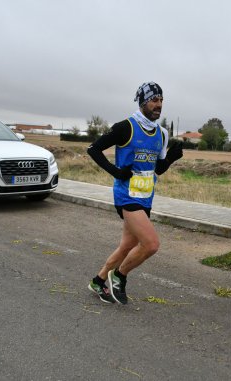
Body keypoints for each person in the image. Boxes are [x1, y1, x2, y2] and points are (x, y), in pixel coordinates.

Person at [86, 82, 183, 304]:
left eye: (161, 101)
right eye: (154, 100)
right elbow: (94, 149)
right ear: (142, 102)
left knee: (127, 245)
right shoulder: (126, 127)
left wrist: (171, 158)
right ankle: (119, 276)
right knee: (151, 244)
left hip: (146, 196)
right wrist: (116, 172)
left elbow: (157, 168)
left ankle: (98, 281)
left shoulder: (162, 133)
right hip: (126, 195)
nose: (158, 105)